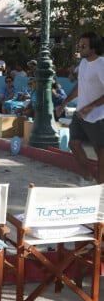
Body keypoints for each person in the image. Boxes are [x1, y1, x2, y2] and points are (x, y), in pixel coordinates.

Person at [56, 31, 104, 186]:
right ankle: (87, 176)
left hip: (98, 116)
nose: (80, 49)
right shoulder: (83, 63)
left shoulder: (101, 65)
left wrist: (90, 106)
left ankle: (100, 185)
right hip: (79, 114)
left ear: (94, 47)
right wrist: (64, 103)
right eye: (79, 46)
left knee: (101, 152)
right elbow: (79, 85)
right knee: (73, 144)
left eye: (83, 46)